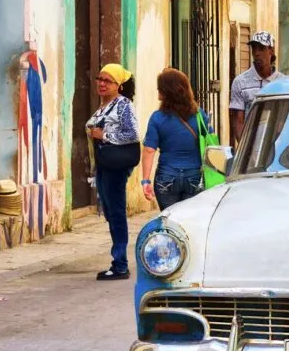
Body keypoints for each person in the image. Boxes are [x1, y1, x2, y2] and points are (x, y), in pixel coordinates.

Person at [86, 63, 140, 280]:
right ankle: (118, 261)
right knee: (110, 212)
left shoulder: (123, 105)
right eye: (100, 79)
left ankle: (120, 265)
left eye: (107, 80)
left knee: (116, 213)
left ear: (119, 85)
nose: (101, 83)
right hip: (105, 165)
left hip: (116, 165)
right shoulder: (104, 107)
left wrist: (105, 136)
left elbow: (133, 134)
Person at [140, 69, 211, 211]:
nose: (158, 90)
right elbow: (210, 143)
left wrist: (146, 180)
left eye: (160, 88)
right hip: (194, 175)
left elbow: (149, 150)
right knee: (190, 221)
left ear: (167, 91)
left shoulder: (157, 118)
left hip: (166, 177)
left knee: (170, 221)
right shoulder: (199, 115)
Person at [229, 31, 283, 145]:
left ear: (271, 51)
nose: (257, 53)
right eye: (254, 49)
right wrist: (245, 148)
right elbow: (238, 121)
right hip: (252, 146)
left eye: (262, 49)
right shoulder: (240, 82)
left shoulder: (283, 83)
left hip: (277, 145)